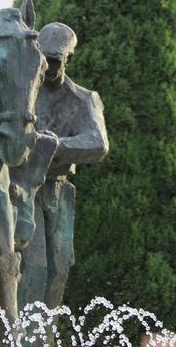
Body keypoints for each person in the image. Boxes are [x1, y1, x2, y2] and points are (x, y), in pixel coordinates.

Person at [15, 22, 108, 314]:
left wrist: (53, 145)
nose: (48, 67)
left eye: (55, 61)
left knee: (59, 269)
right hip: (25, 187)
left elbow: (97, 143)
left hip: (59, 189)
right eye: (43, 59)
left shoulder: (81, 99)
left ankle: (42, 345)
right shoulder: (23, 92)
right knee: (35, 267)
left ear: (67, 59)